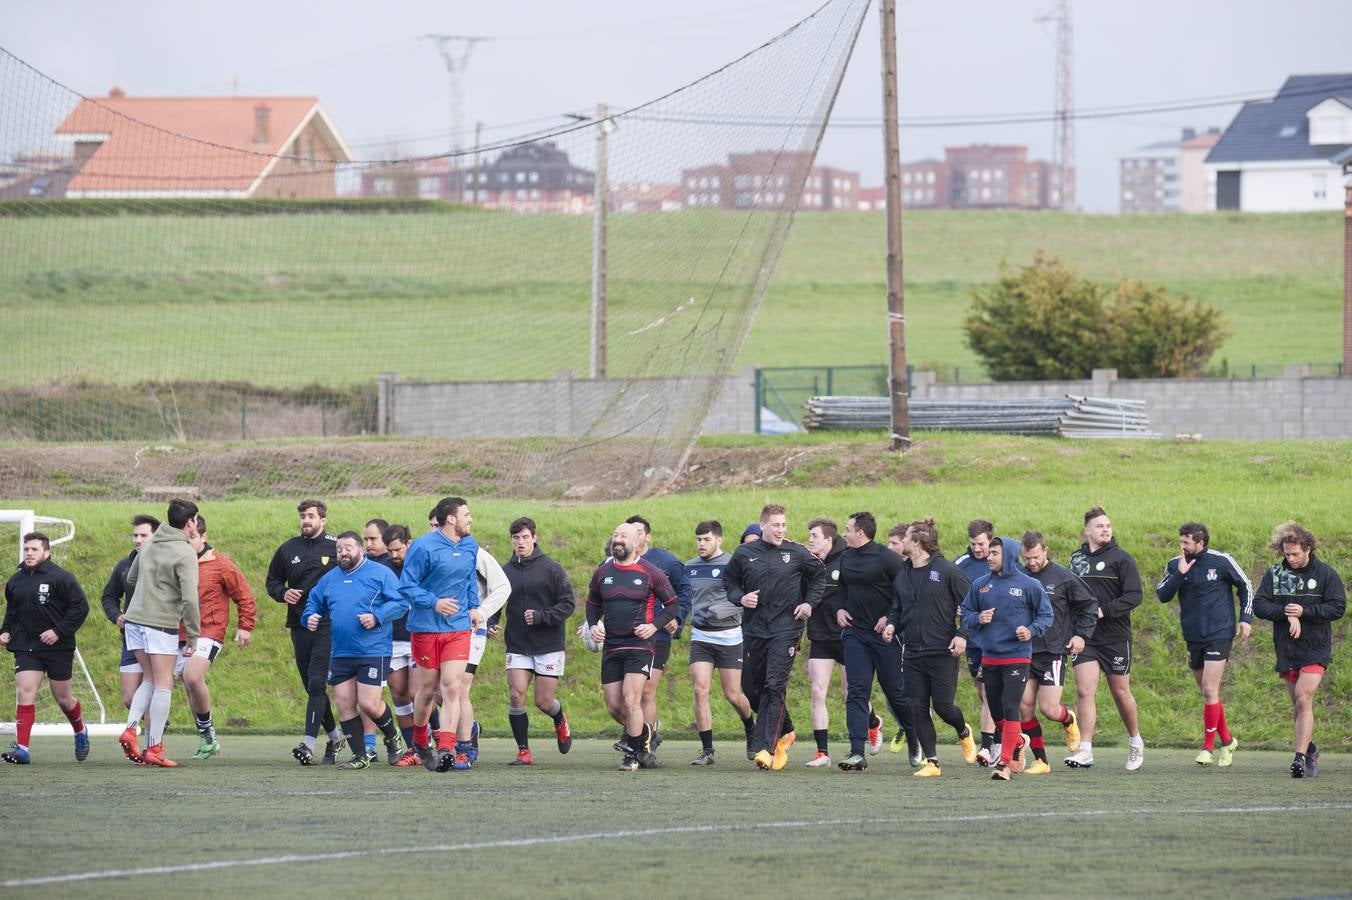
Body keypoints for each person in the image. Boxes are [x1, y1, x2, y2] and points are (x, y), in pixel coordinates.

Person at [722, 504, 826, 771]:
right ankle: (787, 730)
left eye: (784, 525)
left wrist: (809, 604)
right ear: (763, 525)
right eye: (776, 525)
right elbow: (729, 583)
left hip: (786, 629)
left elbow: (819, 576)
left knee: (773, 686)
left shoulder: (797, 552)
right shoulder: (745, 553)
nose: (781, 530)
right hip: (755, 630)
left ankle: (766, 749)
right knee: (754, 690)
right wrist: (740, 598)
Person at [301, 531, 408, 769]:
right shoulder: (330, 578)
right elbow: (313, 603)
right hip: (341, 652)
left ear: (359, 549)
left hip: (373, 650)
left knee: (369, 704)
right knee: (344, 703)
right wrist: (309, 617)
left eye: (348, 547)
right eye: (339, 549)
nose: (343, 553)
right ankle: (361, 755)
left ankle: (392, 737)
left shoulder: (380, 573)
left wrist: (377, 616)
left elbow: (401, 603)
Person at [1251, 521, 1346, 779]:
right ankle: (1311, 749)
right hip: (1287, 648)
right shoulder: (1275, 574)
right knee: (1297, 707)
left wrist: (1305, 612)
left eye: (1295, 554)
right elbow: (1259, 605)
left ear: (1308, 549)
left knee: (1304, 698)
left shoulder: (1325, 575)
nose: (1290, 559)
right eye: (1286, 554)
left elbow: (1338, 607)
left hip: (1316, 647)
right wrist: (1285, 612)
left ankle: (1299, 759)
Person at [1155, 522, 1253, 768]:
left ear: (1200, 542)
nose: (1182, 546)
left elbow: (1246, 585)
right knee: (1208, 694)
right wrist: (1180, 573)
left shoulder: (1221, 561)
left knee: (1210, 689)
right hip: (1193, 636)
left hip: (1219, 633)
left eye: (1186, 542)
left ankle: (1208, 748)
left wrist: (1246, 618)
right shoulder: (1174, 564)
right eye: (1181, 542)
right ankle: (1228, 740)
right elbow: (1162, 595)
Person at [884, 518, 976, 777]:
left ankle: (963, 731)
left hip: (943, 651)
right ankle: (933, 762)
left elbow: (972, 604)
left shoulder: (946, 570)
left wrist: (962, 635)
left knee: (944, 708)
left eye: (905, 538)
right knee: (917, 707)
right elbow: (897, 608)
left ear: (917, 542)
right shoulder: (903, 573)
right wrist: (892, 624)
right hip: (913, 652)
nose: (900, 542)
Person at [399, 496, 482, 772]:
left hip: (458, 628)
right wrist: (434, 602)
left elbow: (470, 577)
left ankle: (446, 748)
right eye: (466, 515)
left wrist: (473, 606)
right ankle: (421, 740)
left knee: (452, 686)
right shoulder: (423, 546)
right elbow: (406, 586)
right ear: (451, 519)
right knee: (427, 690)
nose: (470, 519)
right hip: (425, 628)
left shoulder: (471, 544)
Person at [586, 522, 679, 771]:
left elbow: (672, 605)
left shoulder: (651, 572)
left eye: (623, 536)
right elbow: (592, 603)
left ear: (637, 542)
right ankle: (645, 734)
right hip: (612, 646)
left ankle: (633, 753)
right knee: (615, 706)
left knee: (631, 699)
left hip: (640, 646)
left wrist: (654, 626)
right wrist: (593, 625)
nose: (618, 540)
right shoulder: (602, 572)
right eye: (615, 535)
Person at [961, 536, 1053, 781]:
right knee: (998, 714)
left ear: (1010, 556)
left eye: (995, 553)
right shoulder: (980, 585)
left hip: (1017, 658)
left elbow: (1046, 616)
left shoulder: (1030, 585)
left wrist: (1030, 631)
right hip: (989, 658)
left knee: (1012, 708)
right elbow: (965, 614)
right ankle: (1018, 740)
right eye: (989, 552)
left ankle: (1003, 764)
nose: (989, 557)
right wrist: (978, 618)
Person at [119, 498, 201, 768]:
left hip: (134, 620)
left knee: (150, 680)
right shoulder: (185, 551)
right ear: (190, 523)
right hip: (159, 621)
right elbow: (190, 599)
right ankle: (154, 747)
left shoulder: (151, 542)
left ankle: (131, 729)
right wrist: (192, 635)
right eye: (195, 520)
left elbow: (131, 579)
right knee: (164, 682)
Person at [833, 511, 916, 773]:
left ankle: (916, 740)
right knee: (856, 691)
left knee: (896, 693)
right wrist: (839, 608)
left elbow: (905, 594)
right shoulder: (845, 557)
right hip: (856, 634)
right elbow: (841, 589)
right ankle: (857, 752)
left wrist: (889, 618)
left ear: (860, 532)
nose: (843, 533)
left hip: (885, 636)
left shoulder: (887, 558)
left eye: (847, 529)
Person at [1066, 507, 1146, 771]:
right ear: (1087, 530)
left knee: (1120, 692)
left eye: (1108, 525)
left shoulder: (1122, 559)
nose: (1105, 529)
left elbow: (1134, 595)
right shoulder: (1076, 558)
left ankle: (1135, 740)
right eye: (1099, 526)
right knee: (1084, 690)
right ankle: (1086, 750)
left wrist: (1104, 610)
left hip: (1114, 637)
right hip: (1085, 637)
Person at [1, 532, 91, 765]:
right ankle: (22, 749)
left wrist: (58, 631)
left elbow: (80, 607)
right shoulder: (15, 580)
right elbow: (12, 611)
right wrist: (5, 630)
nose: (29, 553)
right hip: (26, 646)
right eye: (26, 549)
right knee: (25, 692)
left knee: (63, 698)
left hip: (58, 647)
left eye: (34, 549)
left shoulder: (61, 577)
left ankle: (80, 730)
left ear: (47, 553)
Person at [267, 499, 344, 765]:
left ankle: (308, 744)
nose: (306, 520)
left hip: (327, 624)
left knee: (316, 684)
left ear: (323, 520)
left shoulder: (336, 546)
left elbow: (354, 575)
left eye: (311, 516)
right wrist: (283, 593)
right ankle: (335, 738)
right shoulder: (288, 549)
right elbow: (272, 582)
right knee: (310, 686)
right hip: (299, 624)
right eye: (302, 516)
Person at [498, 516, 575, 766]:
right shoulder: (504, 571)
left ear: (534, 538)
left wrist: (543, 616)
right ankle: (523, 751)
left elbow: (568, 604)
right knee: (516, 695)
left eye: (525, 537)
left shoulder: (552, 568)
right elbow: (494, 602)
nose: (520, 542)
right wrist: (489, 623)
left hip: (548, 644)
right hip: (518, 644)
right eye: (516, 538)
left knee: (543, 701)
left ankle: (559, 717)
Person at [1019, 531, 1096, 774]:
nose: (1031, 562)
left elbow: (1089, 605)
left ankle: (1068, 719)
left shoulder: (1063, 577)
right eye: (1027, 558)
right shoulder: (1019, 576)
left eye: (1035, 557)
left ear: (1045, 550)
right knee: (1024, 707)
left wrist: (1080, 635)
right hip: (1025, 651)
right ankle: (1041, 760)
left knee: (1049, 708)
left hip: (1052, 652)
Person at [180, 513, 255, 761]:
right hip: (178, 633)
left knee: (192, 675)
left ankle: (208, 734)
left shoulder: (220, 564)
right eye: (183, 538)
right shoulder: (176, 563)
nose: (187, 543)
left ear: (203, 536)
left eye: (191, 537)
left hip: (208, 632)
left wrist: (245, 626)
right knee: (188, 685)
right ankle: (206, 739)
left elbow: (244, 594)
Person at [684, 519, 756, 766]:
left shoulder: (732, 564)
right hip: (701, 636)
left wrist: (723, 609)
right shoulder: (689, 567)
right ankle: (707, 750)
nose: (701, 544)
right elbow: (684, 599)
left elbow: (745, 598)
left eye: (706, 539)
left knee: (733, 694)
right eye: (698, 539)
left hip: (729, 637)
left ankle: (750, 727)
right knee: (700, 689)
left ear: (719, 540)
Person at [624, 515, 691, 750]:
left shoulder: (664, 561)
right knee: (626, 695)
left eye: (639, 532)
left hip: (657, 635)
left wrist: (677, 618)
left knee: (647, 691)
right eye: (630, 532)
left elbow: (684, 591)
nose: (635, 536)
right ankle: (637, 736)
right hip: (625, 637)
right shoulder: (616, 562)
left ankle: (647, 745)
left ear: (647, 536)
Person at [456, 537, 511, 767]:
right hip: (438, 630)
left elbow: (502, 587)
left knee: (459, 689)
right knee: (438, 693)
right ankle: (470, 728)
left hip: (471, 631)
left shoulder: (474, 553)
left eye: (437, 525)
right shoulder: (429, 550)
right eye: (431, 525)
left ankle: (464, 747)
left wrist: (482, 613)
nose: (434, 530)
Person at [100, 514, 159, 715]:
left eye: (143, 535)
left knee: (156, 689)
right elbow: (108, 596)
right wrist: (116, 616)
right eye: (135, 535)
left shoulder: (166, 563)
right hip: (131, 638)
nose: (137, 540)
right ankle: (156, 723)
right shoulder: (124, 565)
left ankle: (153, 740)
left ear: (156, 536)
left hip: (159, 637)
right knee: (130, 699)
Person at [953, 519, 998, 764]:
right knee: (983, 693)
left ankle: (989, 746)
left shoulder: (1001, 562)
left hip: (996, 637)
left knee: (990, 691)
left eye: (981, 544)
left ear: (991, 540)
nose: (977, 549)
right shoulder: (961, 563)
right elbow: (947, 590)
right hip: (972, 637)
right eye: (973, 544)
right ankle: (1003, 733)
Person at [381, 525, 424, 766]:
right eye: (390, 551)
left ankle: (433, 741)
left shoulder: (422, 563)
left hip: (418, 635)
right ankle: (413, 749)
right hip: (393, 639)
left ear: (409, 543)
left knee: (417, 693)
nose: (394, 555)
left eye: (397, 549)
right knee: (399, 695)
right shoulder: (384, 568)